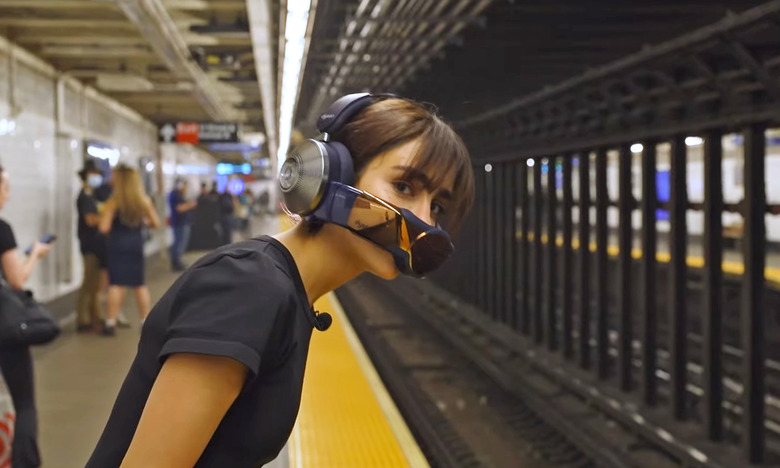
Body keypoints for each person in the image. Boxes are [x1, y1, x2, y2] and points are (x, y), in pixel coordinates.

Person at [85, 94, 474, 467]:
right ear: (329, 175)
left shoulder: (288, 293)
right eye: (404, 187)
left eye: (437, 206)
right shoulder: (248, 287)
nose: (423, 219)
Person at [0, 165, 51, 467]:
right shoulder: (2, 228)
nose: (7, 194)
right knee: (24, 403)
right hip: (5, 328)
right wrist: (34, 255)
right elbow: (17, 281)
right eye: (4, 187)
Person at [99, 165, 160, 336]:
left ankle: (110, 323)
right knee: (139, 283)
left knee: (116, 284)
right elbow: (155, 223)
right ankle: (145, 321)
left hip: (117, 244)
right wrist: (141, 223)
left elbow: (104, 227)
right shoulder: (143, 201)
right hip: (135, 244)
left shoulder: (113, 202)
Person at [75, 160, 106, 332]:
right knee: (88, 282)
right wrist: (107, 219)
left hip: (96, 245)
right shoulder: (84, 197)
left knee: (95, 284)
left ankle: (94, 316)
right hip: (89, 245)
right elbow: (90, 219)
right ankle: (82, 319)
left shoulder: (93, 196)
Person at [168, 178, 196, 271]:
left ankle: (178, 262)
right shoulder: (175, 195)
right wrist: (191, 205)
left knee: (180, 243)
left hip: (182, 222)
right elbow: (179, 208)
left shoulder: (178, 195)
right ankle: (177, 263)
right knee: (179, 243)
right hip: (179, 223)